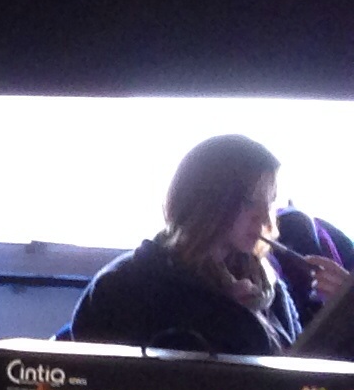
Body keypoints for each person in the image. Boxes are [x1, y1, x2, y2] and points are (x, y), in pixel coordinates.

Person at [69, 134, 345, 355]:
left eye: (270, 203)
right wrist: (228, 315)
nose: (264, 218)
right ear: (208, 202)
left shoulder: (268, 285)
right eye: (251, 202)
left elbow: (300, 382)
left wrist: (343, 310)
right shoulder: (125, 288)